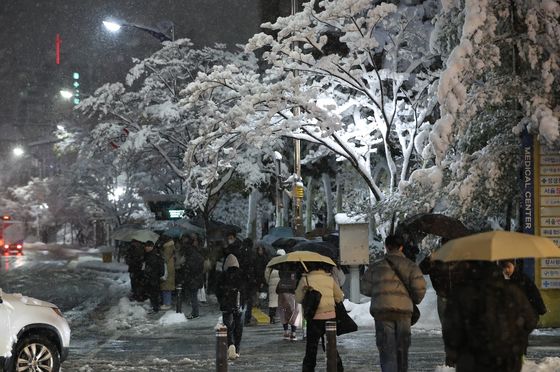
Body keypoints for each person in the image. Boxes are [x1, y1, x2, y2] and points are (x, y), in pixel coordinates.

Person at [442, 261, 537, 372]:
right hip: (507, 357)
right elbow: (530, 320)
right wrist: (516, 341)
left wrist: (453, 354)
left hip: (471, 358)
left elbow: (451, 328)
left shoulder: (462, 293)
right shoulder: (512, 291)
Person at [360, 234, 426, 372]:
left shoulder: (376, 266)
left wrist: (380, 291)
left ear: (386, 246)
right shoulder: (411, 266)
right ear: (401, 247)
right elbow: (419, 289)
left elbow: (364, 288)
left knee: (387, 350)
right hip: (403, 313)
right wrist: (413, 299)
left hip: (382, 312)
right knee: (402, 350)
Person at [295, 262, 345, 372]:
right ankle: (337, 367)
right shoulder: (329, 279)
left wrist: (306, 291)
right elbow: (339, 297)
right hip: (330, 317)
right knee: (331, 345)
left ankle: (308, 368)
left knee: (311, 347)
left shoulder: (305, 280)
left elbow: (298, 298)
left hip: (314, 318)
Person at [216, 253, 245, 360]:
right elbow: (245, 290)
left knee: (228, 327)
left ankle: (230, 344)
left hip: (226, 305)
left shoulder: (223, 276)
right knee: (238, 327)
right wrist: (243, 301)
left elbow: (217, 291)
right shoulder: (241, 275)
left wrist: (221, 300)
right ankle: (237, 348)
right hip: (238, 304)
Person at [182, 235, 205, 319]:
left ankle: (195, 313)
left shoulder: (192, 254)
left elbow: (192, 267)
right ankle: (195, 312)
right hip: (196, 278)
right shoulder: (196, 253)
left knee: (193, 297)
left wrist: (187, 269)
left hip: (193, 278)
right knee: (193, 296)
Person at [276, 265, 300, 340]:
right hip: (293, 295)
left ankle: (286, 331)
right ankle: (293, 332)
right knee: (295, 312)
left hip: (282, 295)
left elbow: (277, 290)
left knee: (283, 313)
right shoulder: (295, 277)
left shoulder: (282, 279)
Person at [142, 241, 165, 314]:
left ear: (151, 247)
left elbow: (157, 267)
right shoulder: (150, 255)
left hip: (153, 277)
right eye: (145, 246)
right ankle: (155, 307)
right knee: (153, 293)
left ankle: (156, 308)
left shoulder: (153, 256)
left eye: (147, 246)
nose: (146, 248)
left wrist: (149, 272)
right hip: (152, 277)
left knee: (154, 293)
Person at [265, 249, 284, 324]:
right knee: (282, 300)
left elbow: (266, 273)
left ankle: (272, 317)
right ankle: (282, 317)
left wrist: (268, 281)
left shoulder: (272, 262)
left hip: (272, 282)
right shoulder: (284, 262)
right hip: (281, 282)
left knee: (272, 301)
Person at [159, 236, 176, 310]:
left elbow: (165, 258)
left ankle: (167, 303)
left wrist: (161, 253)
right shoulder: (171, 246)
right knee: (167, 285)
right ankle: (167, 302)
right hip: (170, 267)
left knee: (166, 286)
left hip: (167, 267)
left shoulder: (167, 247)